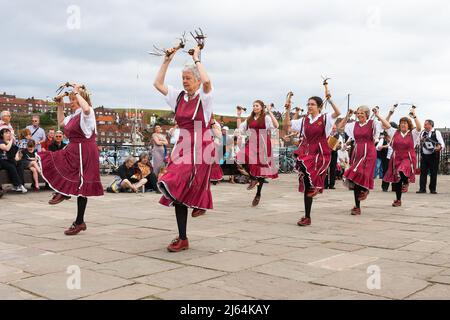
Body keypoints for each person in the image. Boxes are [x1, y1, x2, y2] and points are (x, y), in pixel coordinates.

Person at [153, 44, 214, 252]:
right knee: (175, 188)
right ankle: (183, 237)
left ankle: (199, 201)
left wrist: (197, 58)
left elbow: (207, 82)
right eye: (183, 78)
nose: (184, 81)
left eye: (188, 78)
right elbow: (157, 83)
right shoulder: (178, 97)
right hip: (182, 146)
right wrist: (167, 59)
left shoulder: (204, 99)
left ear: (196, 80)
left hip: (200, 146)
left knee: (176, 180)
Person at [38, 83, 103, 235]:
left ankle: (79, 221)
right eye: (71, 100)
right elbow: (61, 123)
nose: (71, 102)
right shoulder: (74, 116)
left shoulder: (88, 112)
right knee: (55, 161)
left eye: (73, 100)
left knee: (83, 186)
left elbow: (86, 108)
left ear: (81, 99)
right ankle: (64, 193)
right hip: (74, 149)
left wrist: (76, 92)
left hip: (85, 151)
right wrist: (60, 106)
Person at [283, 86, 341, 226]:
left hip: (320, 152)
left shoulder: (325, 118)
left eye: (312, 104)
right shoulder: (304, 120)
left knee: (306, 166)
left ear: (319, 106)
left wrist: (330, 99)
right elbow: (287, 126)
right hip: (307, 151)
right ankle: (307, 216)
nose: (309, 106)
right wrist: (287, 110)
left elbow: (338, 112)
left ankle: (317, 186)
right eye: (308, 104)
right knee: (307, 183)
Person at [338, 107, 389, 215]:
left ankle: (365, 189)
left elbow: (387, 126)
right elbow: (340, 127)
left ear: (366, 114)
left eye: (362, 113)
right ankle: (357, 206)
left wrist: (378, 115)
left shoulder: (372, 123)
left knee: (362, 172)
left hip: (369, 151)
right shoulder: (353, 125)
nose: (359, 114)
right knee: (355, 178)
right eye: (358, 113)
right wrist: (348, 116)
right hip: (357, 151)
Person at [235, 100, 279, 206]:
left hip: (263, 143)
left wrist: (270, 111)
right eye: (253, 105)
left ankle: (258, 194)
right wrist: (239, 116)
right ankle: (253, 178)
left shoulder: (266, 117)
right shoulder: (250, 119)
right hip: (252, 142)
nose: (255, 107)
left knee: (261, 170)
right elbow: (240, 129)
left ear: (261, 107)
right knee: (239, 156)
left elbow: (276, 125)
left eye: (257, 106)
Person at [382, 108, 422, 206]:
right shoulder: (395, 132)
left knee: (401, 170)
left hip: (408, 158)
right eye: (401, 123)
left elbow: (419, 127)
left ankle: (406, 181)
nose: (403, 124)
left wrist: (414, 115)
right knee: (397, 180)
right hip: (396, 157)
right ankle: (398, 200)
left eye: (405, 123)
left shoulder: (412, 133)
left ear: (409, 124)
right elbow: (384, 125)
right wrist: (389, 113)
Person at [416, 119, 446, 194]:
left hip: (434, 156)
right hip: (424, 156)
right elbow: (418, 143)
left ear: (430, 125)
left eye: (425, 124)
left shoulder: (436, 132)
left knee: (433, 173)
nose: (424, 126)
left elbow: (442, 144)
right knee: (423, 172)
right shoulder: (423, 132)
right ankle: (422, 189)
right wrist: (421, 140)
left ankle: (432, 189)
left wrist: (438, 148)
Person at [0, 128, 27, 193]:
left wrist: (18, 157)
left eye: (9, 133)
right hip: (1, 160)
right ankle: (18, 185)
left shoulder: (12, 142)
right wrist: (12, 140)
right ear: (2, 135)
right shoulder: (1, 141)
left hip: (9, 160)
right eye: (6, 133)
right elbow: (7, 148)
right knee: (11, 166)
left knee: (19, 163)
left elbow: (16, 156)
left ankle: (20, 185)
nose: (8, 134)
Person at [210, 117, 224, 184]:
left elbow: (219, 135)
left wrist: (213, 124)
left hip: (214, 143)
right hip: (206, 143)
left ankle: (214, 178)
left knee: (214, 162)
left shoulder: (216, 124)